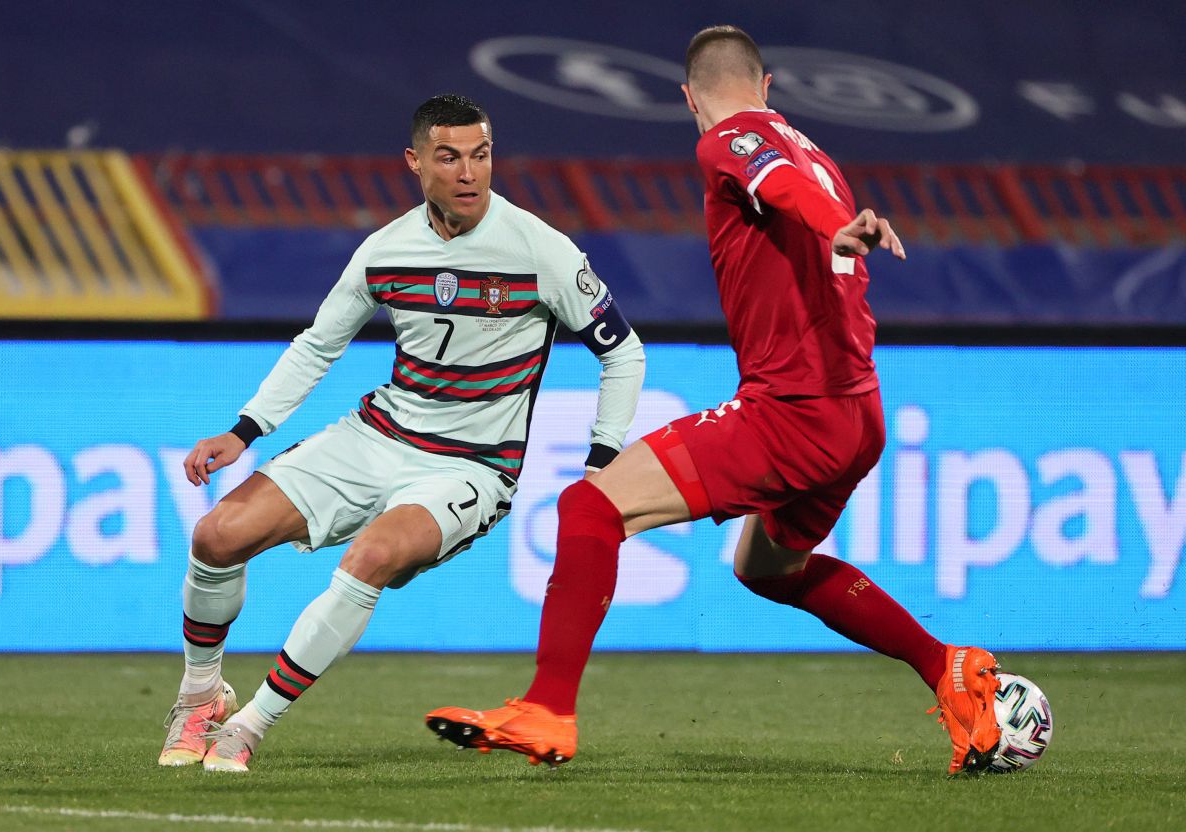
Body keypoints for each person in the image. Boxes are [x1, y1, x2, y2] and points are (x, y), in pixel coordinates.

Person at [426, 26, 1002, 776]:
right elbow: (798, 198)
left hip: (791, 411)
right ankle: (947, 667)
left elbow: (780, 191)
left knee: (591, 508)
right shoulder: (818, 155)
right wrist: (844, 221)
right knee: (768, 569)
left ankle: (547, 709)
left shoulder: (726, 141)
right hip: (858, 414)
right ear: (769, 86)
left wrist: (840, 226)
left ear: (688, 97)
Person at [158, 94, 645, 773]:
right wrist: (246, 429)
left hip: (470, 467)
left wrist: (604, 455)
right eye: (450, 158)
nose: (469, 173)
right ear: (416, 163)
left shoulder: (542, 250)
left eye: (481, 155)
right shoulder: (385, 250)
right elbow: (317, 346)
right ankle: (200, 697)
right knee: (216, 536)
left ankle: (248, 727)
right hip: (377, 435)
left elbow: (623, 352)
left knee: (371, 555)